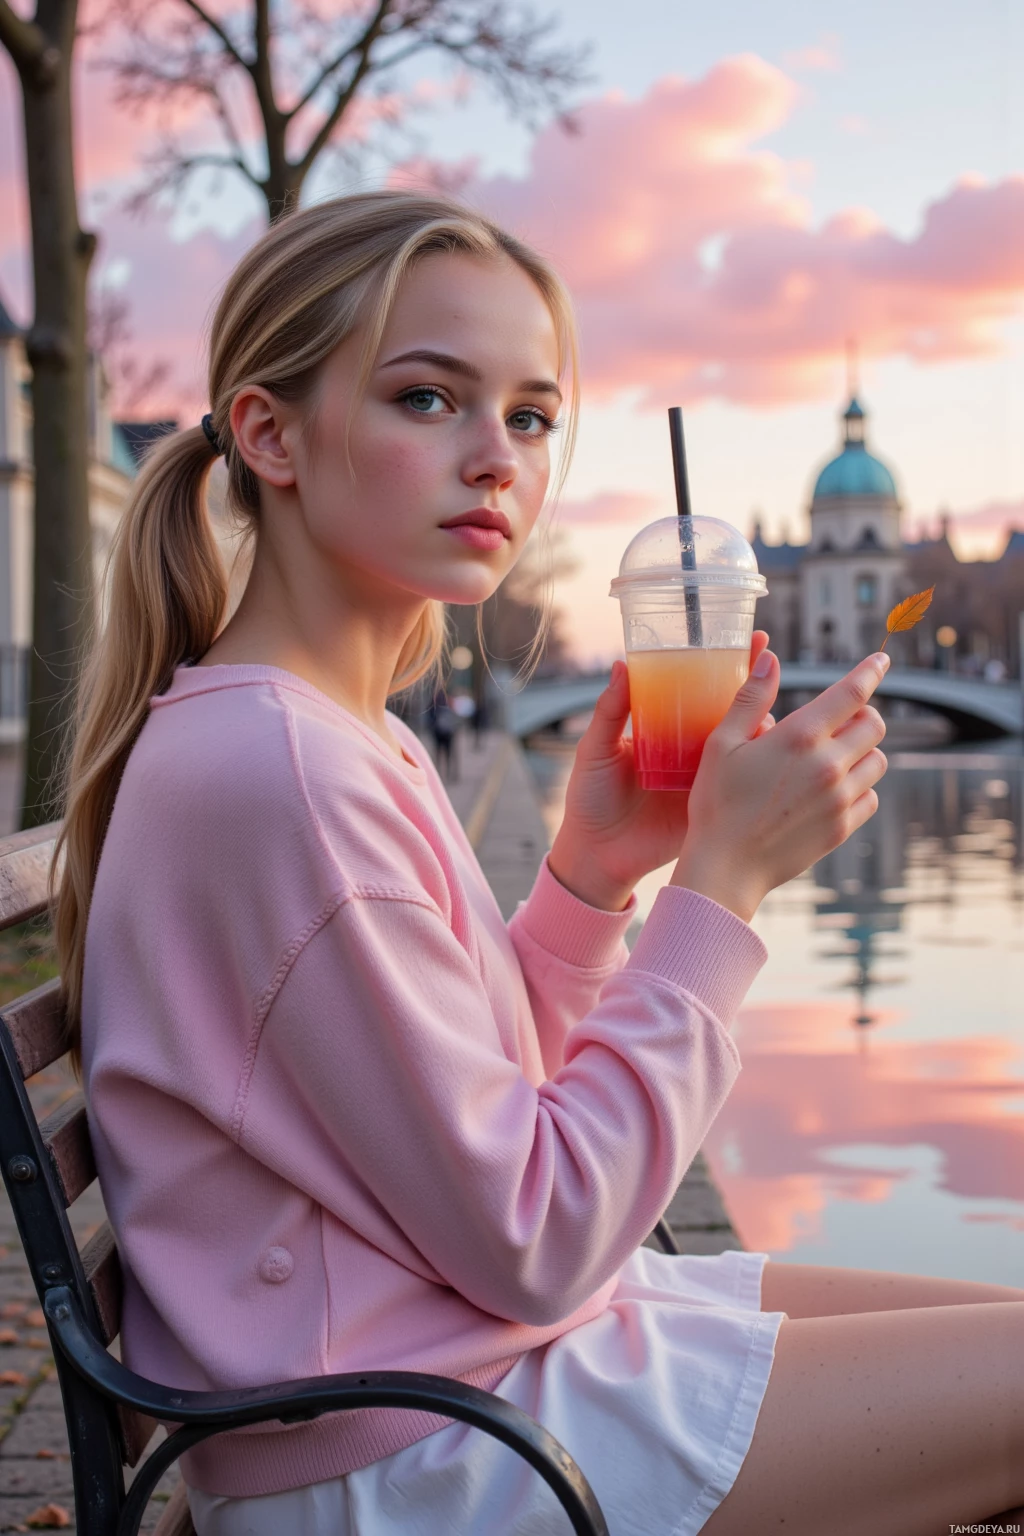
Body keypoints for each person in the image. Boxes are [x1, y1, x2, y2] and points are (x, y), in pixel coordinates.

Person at [50, 192, 1024, 1536]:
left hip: (450, 1375)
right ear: (269, 432)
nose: (497, 459)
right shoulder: (285, 768)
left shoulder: (331, 736)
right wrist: (717, 897)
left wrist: (590, 880)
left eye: (530, 415)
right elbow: (541, 1234)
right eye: (427, 398)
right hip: (419, 1454)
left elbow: (478, 1119)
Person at [425, 686, 459, 781]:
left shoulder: (436, 703)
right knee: (447, 754)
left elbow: (430, 718)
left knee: (441, 754)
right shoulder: (448, 702)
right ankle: (447, 773)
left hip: (441, 732)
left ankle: (443, 773)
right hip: (445, 733)